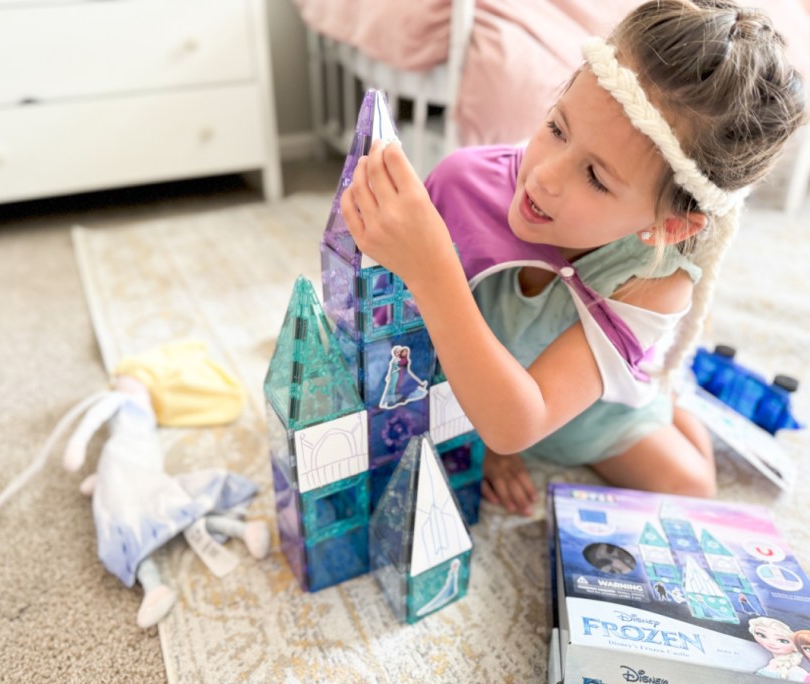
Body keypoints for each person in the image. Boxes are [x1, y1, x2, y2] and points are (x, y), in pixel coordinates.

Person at [341, 0, 805, 516]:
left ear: (669, 225)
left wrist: (433, 269)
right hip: (492, 393)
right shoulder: (465, 182)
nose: (544, 176)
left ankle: (672, 390)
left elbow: (520, 423)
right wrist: (476, 437)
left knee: (694, 488)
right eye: (558, 129)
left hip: (588, 416)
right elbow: (408, 340)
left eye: (595, 178)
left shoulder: (655, 279)